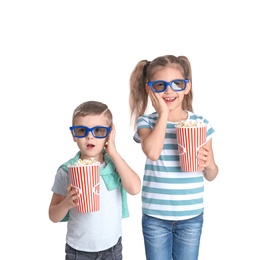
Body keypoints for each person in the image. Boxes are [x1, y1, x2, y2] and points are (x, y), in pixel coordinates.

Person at [129, 55, 218, 260]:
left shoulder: (200, 123)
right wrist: (162, 114)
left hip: (191, 215)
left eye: (177, 84)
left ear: (187, 87)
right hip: (155, 216)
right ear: (149, 90)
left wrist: (210, 163)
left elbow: (211, 175)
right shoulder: (147, 122)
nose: (169, 91)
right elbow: (152, 152)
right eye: (160, 85)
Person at [49, 100, 141, 260]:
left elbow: (134, 188)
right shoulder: (66, 171)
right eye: (81, 130)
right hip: (78, 250)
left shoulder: (115, 166)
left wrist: (113, 151)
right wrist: (66, 204)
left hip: (112, 248)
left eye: (98, 130)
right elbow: (53, 215)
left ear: (109, 133)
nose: (89, 136)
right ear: (73, 135)